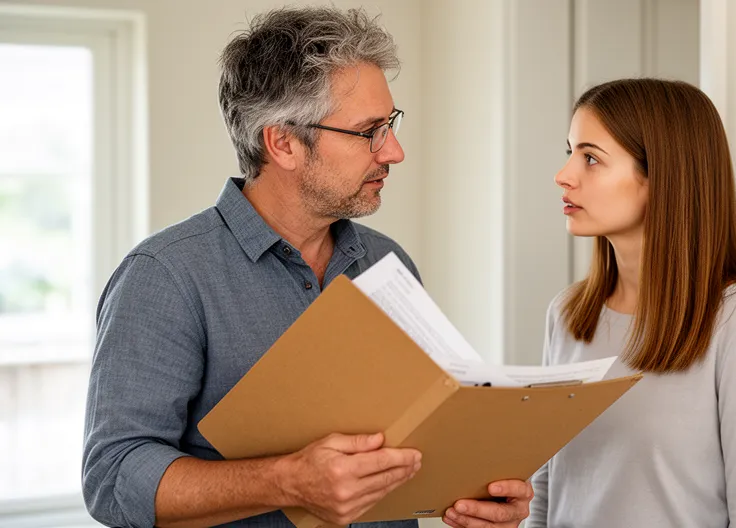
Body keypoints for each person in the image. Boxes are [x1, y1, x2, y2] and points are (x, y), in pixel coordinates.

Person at [81, 7, 531, 528]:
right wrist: (286, 482)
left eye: (390, 124)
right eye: (369, 131)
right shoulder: (165, 276)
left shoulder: (388, 263)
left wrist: (479, 491)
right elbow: (113, 478)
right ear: (284, 143)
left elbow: (426, 434)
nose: (395, 152)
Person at [526, 79, 736, 528]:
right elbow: (546, 492)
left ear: (663, 177)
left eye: (590, 158)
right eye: (570, 151)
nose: (564, 175)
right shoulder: (568, 314)